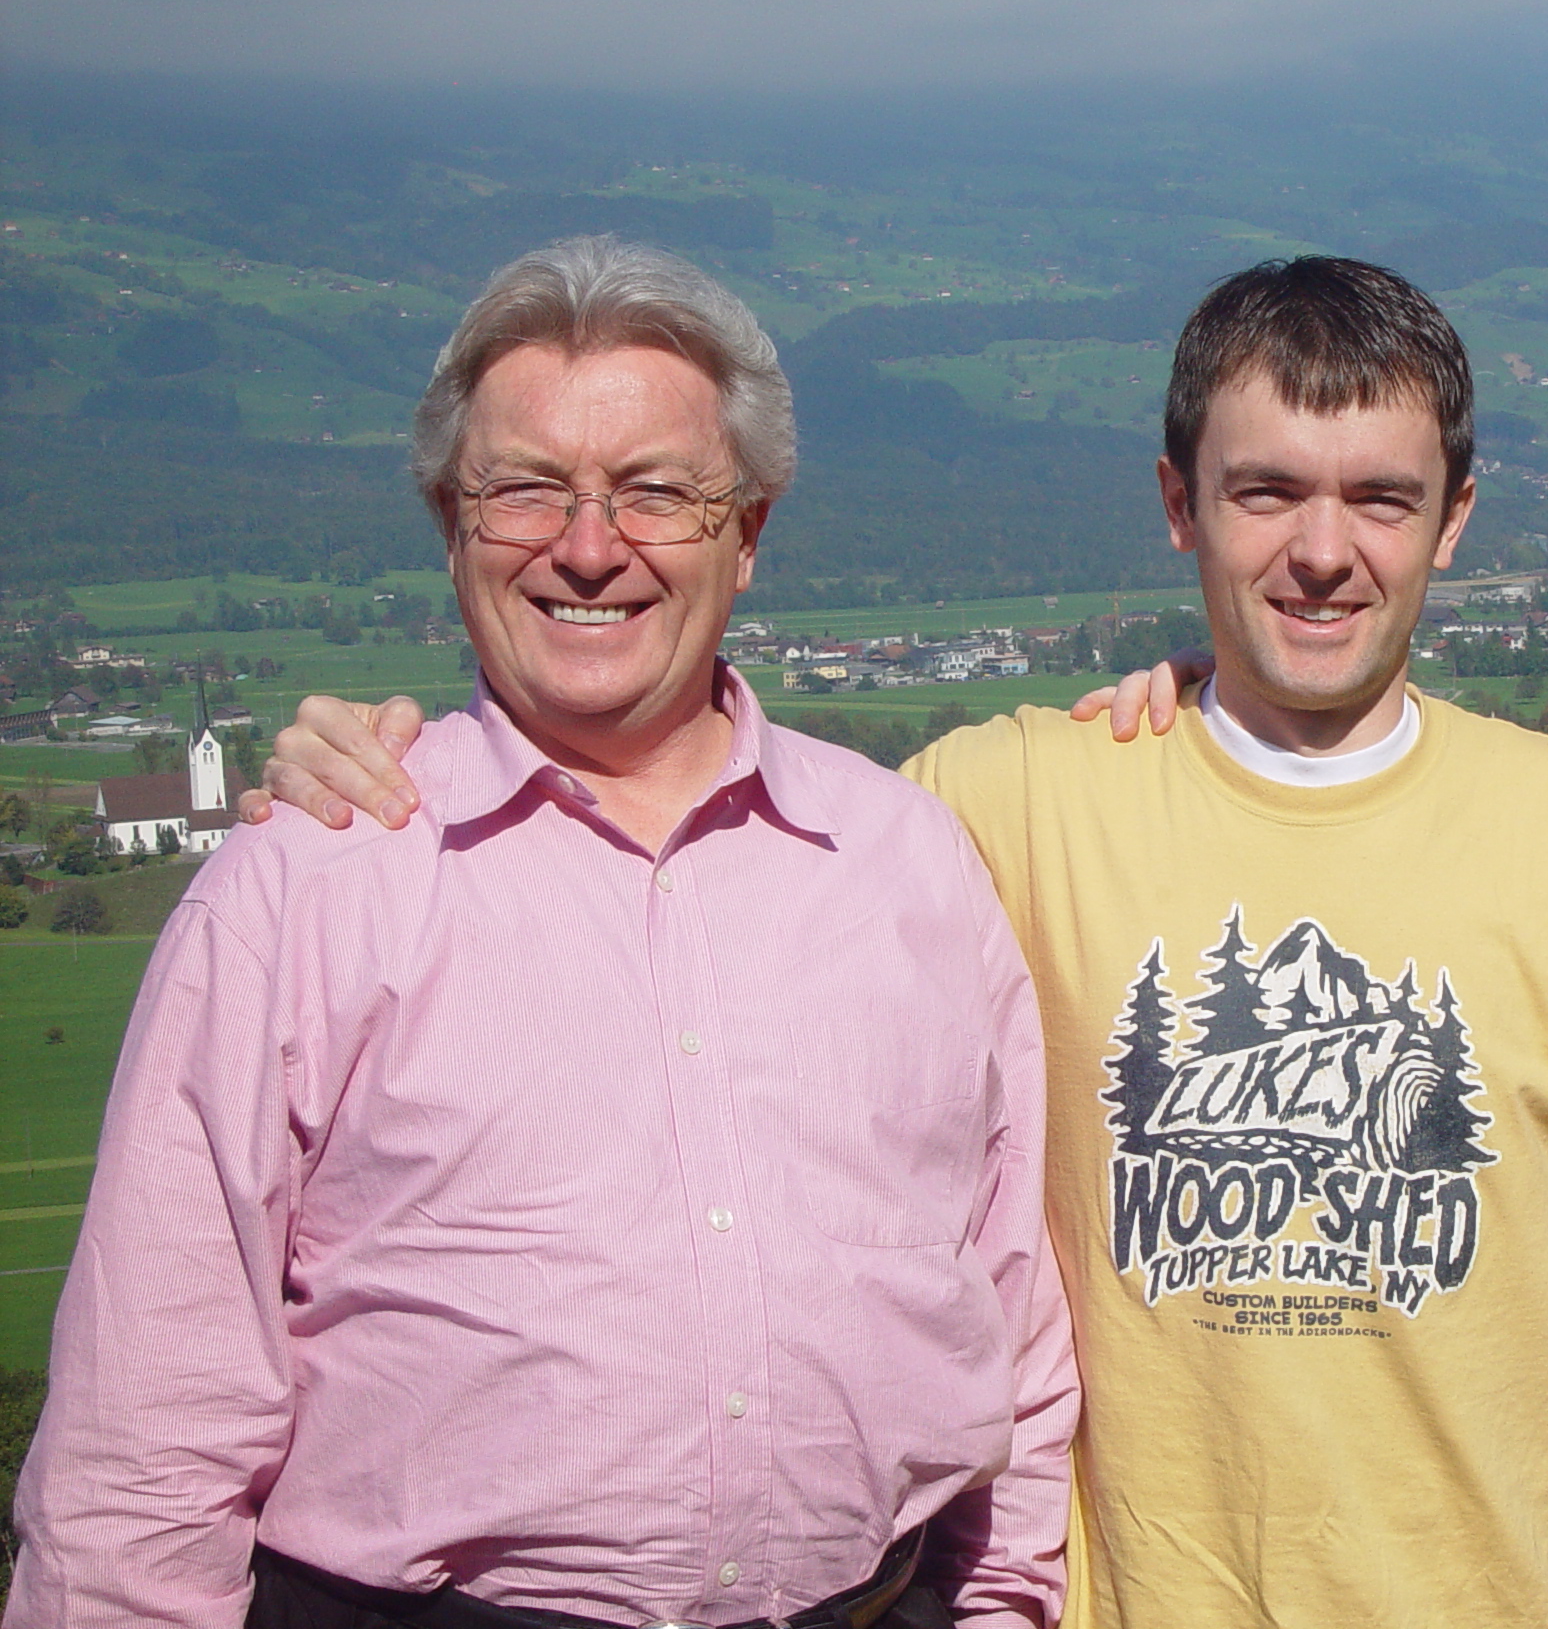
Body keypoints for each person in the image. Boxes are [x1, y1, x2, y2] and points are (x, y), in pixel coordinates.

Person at [241, 256, 1548, 1629]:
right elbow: (695, 808)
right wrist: (391, 760)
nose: (1322, 550)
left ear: (1457, 517)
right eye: (1265, 491)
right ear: (1179, 504)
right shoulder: (1004, 799)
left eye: (1379, 496)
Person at [8, 238, 1077, 1629]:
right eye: (525, 491)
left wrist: (1001, 1607)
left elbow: (1013, 1321)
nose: (588, 547)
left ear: (746, 534)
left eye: (657, 493)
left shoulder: (910, 865)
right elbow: (144, 1447)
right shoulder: (310, 884)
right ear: (451, 527)